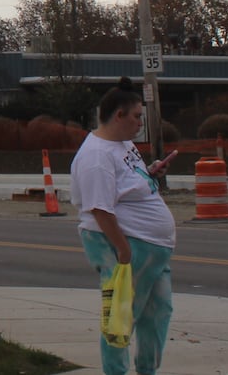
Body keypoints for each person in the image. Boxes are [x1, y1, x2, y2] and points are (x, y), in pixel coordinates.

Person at [69, 77, 176, 375]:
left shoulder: (122, 145)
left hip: (153, 248)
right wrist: (123, 250)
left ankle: (147, 369)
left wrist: (151, 173)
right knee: (121, 318)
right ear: (118, 115)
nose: (140, 123)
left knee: (158, 313)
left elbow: (126, 186)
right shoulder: (96, 157)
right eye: (137, 116)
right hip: (129, 245)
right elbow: (100, 209)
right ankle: (116, 371)